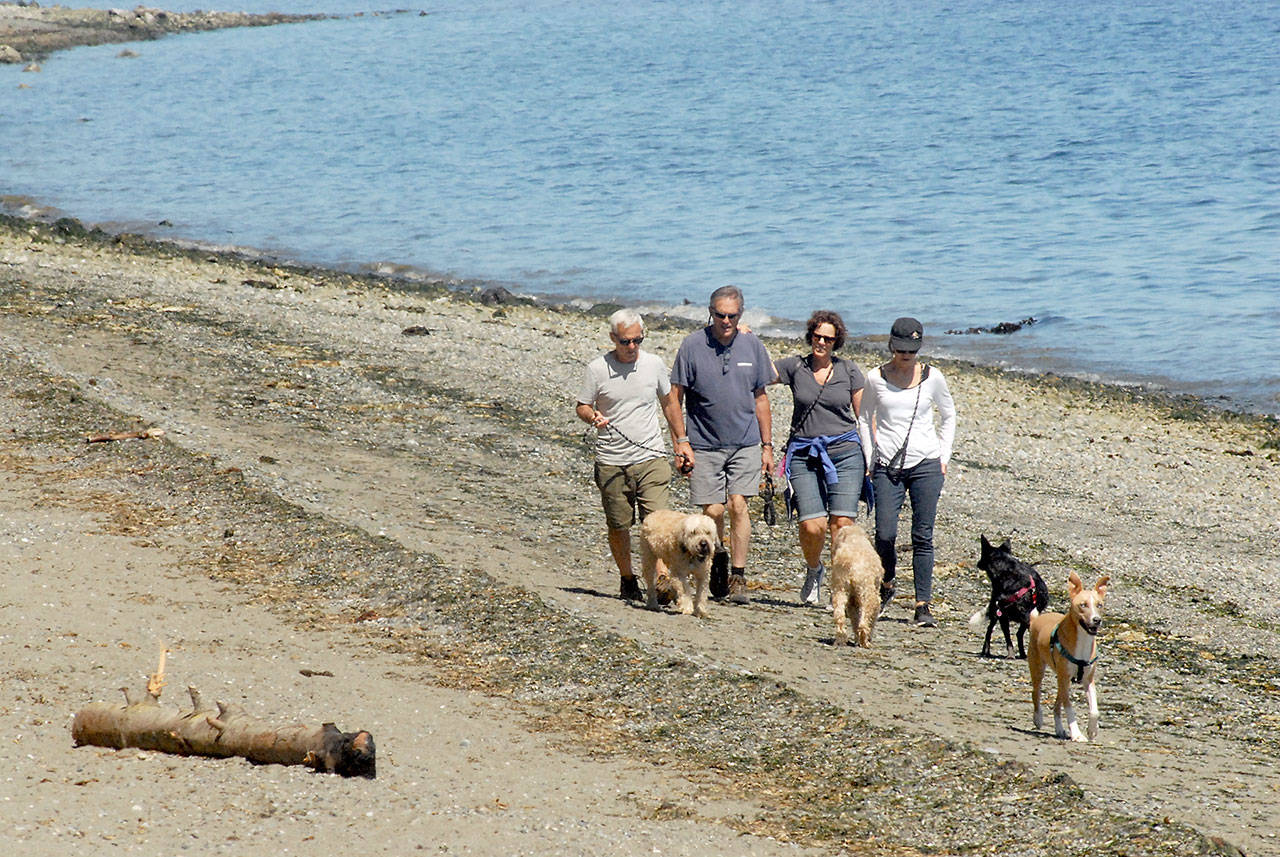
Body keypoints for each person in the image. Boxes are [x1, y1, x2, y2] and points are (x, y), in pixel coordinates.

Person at [669, 285, 774, 604]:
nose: (725, 321)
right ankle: (718, 558)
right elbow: (674, 398)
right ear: (710, 313)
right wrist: (681, 442)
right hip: (703, 442)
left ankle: (738, 576)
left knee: (738, 505)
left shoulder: (752, 344)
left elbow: (761, 398)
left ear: (740, 314)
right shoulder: (692, 345)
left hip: (744, 442)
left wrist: (767, 447)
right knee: (713, 508)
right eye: (719, 315)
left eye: (732, 316)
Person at [576, 309, 685, 602]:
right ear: (613, 338)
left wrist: (682, 442)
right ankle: (627, 578)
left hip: (651, 457)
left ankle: (661, 579)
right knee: (619, 525)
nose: (632, 347)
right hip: (611, 460)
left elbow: (670, 404)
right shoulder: (597, 369)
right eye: (626, 341)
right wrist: (592, 416)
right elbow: (582, 406)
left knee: (658, 521)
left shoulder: (654, 365)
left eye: (638, 340)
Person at [858, 316, 956, 628]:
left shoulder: (933, 377)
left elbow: (949, 415)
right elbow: (863, 417)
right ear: (891, 345)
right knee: (884, 533)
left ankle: (922, 605)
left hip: (926, 464)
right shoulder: (875, 377)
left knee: (922, 535)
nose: (906, 354)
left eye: (912, 349)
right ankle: (887, 584)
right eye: (901, 348)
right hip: (887, 466)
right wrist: (870, 456)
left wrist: (944, 456)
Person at [771, 310, 867, 606]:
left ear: (836, 341)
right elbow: (756, 373)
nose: (821, 342)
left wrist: (873, 458)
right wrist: (744, 336)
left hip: (846, 452)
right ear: (810, 335)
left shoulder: (849, 371)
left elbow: (864, 419)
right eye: (817, 336)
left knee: (842, 526)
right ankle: (814, 570)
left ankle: (839, 587)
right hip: (804, 453)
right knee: (813, 526)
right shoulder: (794, 367)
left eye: (828, 338)